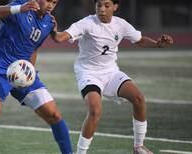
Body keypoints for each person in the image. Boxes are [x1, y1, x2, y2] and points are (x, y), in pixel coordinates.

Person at [50, 0, 173, 154]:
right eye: (98, 5)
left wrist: (157, 44)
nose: (101, 9)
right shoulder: (87, 23)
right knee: (95, 110)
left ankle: (138, 147)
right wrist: (53, 30)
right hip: (89, 73)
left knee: (139, 99)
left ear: (115, 7)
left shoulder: (121, 25)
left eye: (106, 6)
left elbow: (139, 40)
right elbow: (60, 38)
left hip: (111, 72)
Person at [0, 0, 73, 153]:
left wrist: (30, 71)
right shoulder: (22, 5)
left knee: (54, 114)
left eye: (54, 2)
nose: (50, 5)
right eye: (47, 0)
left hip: (24, 73)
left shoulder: (48, 22)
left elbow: (33, 48)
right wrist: (18, 9)